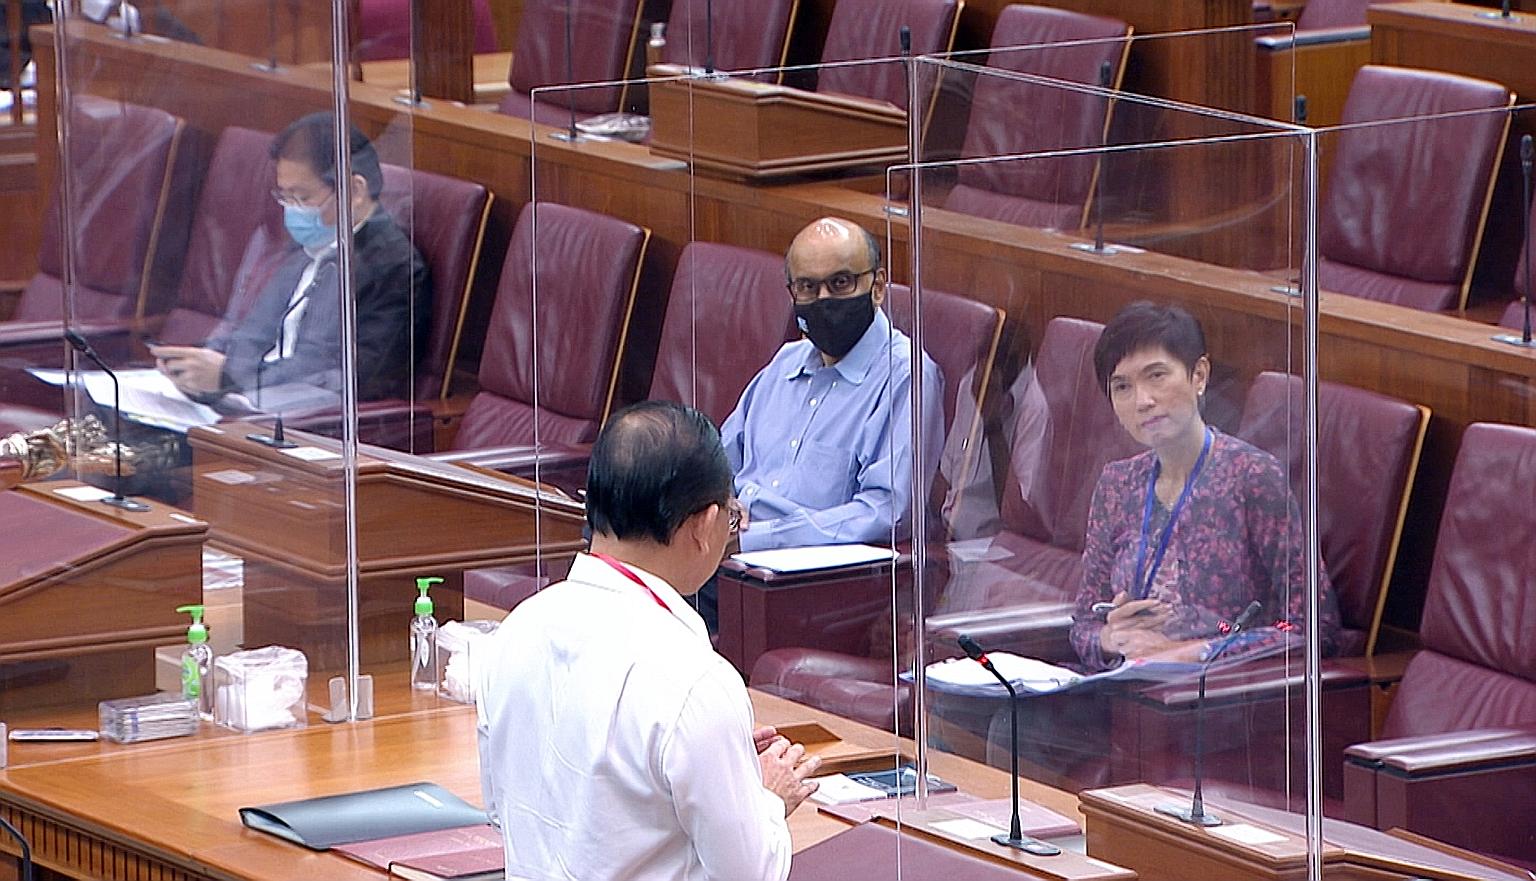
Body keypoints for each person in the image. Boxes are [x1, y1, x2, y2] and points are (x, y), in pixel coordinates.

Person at [474, 400, 821, 881]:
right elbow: (751, 873)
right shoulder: (695, 682)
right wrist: (764, 798)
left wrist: (723, 764)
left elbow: (501, 810)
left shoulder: (515, 631)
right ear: (702, 526)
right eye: (731, 521)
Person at [1070, 301, 1342, 670]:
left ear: (1199, 375)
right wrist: (1110, 637)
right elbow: (1085, 623)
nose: (1143, 401)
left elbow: (1311, 627)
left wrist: (1191, 651)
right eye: (1122, 387)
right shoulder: (1118, 485)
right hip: (1122, 685)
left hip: (1215, 695)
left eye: (1157, 376)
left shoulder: (1253, 478)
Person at [151, 113, 429, 409]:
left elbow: (347, 378)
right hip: (242, 407)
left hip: (310, 424)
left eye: (303, 197)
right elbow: (251, 335)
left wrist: (229, 375)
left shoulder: (393, 267)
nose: (292, 211)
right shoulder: (306, 250)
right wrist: (195, 363)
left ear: (355, 191)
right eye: (285, 197)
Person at [721, 216, 944, 552]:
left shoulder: (907, 376)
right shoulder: (786, 362)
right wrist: (720, 501)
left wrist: (756, 540)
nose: (823, 299)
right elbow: (722, 457)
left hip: (805, 572)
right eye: (808, 287)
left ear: (878, 286)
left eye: (840, 283)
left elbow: (889, 512)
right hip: (727, 550)